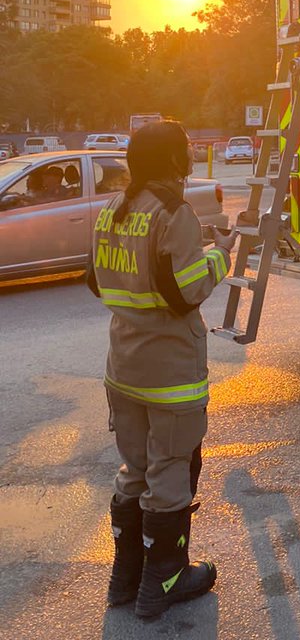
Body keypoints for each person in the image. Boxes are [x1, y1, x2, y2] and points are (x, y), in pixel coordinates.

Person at [86, 119, 236, 619]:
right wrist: (220, 254)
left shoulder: (114, 208)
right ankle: (164, 580)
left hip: (123, 368)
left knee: (134, 469)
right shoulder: (175, 212)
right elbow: (185, 292)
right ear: (174, 160)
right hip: (170, 372)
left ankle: (125, 579)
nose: (191, 155)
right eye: (187, 149)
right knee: (171, 469)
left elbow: (94, 280)